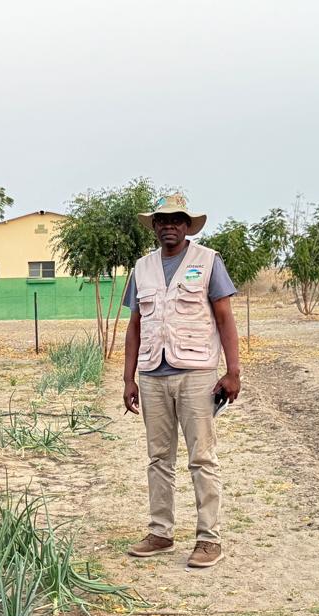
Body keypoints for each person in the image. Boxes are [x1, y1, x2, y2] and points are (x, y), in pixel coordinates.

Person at [122, 194, 241, 569]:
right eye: (162, 220)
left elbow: (225, 319)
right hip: (152, 375)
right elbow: (135, 326)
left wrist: (232, 371)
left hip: (196, 374)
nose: (168, 226)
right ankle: (160, 532)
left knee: (202, 458)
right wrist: (128, 379)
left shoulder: (207, 261)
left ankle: (209, 539)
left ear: (187, 226)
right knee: (158, 458)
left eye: (176, 220)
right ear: (154, 226)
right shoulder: (142, 267)